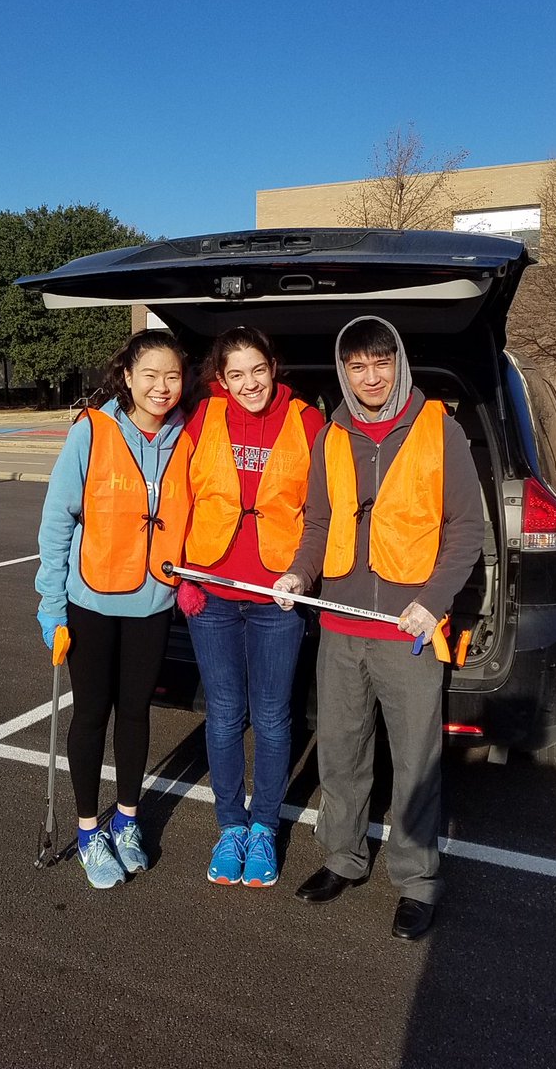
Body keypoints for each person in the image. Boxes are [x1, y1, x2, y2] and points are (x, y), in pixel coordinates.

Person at [274, 316, 483, 939]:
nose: (370, 377)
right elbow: (318, 524)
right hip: (341, 624)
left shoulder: (440, 430)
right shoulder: (331, 435)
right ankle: (343, 857)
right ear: (344, 371)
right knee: (341, 751)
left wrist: (432, 601)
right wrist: (298, 574)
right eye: (357, 366)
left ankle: (417, 881)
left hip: (409, 630)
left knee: (416, 762)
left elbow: (467, 529)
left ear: (399, 364)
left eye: (381, 363)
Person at [35, 330, 192, 889]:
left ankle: (126, 821)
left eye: (172, 376)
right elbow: (57, 520)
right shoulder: (93, 430)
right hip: (92, 601)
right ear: (127, 376)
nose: (161, 387)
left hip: (154, 602)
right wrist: (52, 606)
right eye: (149, 375)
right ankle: (87, 832)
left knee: (135, 713)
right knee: (91, 714)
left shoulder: (187, 437)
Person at [183, 327, 324, 888]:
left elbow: (323, 510)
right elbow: (178, 494)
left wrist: (308, 575)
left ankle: (264, 825)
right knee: (222, 714)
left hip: (277, 595)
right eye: (235, 374)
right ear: (221, 378)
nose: (249, 384)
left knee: (270, 716)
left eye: (257, 370)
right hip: (211, 589)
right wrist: (181, 575)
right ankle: (229, 827)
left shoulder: (308, 422)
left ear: (273, 367)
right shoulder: (202, 417)